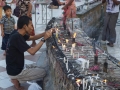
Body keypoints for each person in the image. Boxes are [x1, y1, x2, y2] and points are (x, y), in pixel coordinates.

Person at [6, 16, 54, 90]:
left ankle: (16, 78)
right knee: (43, 72)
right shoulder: (17, 38)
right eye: (31, 25)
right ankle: (17, 79)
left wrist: (46, 33)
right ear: (25, 26)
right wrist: (44, 39)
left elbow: (33, 37)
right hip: (16, 71)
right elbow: (32, 51)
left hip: (13, 68)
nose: (32, 27)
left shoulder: (16, 33)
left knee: (39, 67)